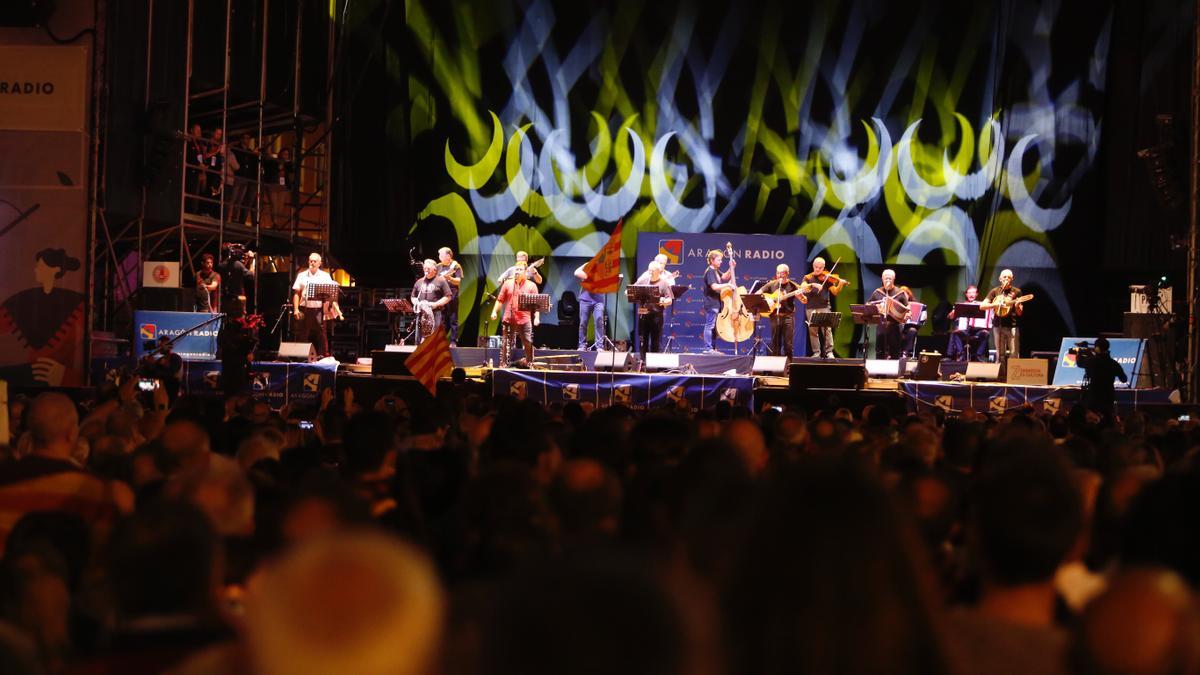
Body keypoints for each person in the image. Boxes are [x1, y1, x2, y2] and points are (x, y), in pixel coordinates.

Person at [491, 263, 540, 367]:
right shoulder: (508, 283)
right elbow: (500, 300)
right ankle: (503, 364)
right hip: (509, 318)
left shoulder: (531, 285)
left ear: (525, 272)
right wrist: (494, 311)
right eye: (516, 269)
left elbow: (536, 305)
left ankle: (529, 362)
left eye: (520, 269)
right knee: (505, 342)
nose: (517, 271)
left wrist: (536, 317)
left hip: (524, 319)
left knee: (527, 342)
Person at [800, 257, 848, 358]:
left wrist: (840, 284)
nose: (818, 269)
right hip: (810, 308)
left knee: (827, 330)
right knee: (813, 331)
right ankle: (816, 352)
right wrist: (814, 284)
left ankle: (829, 351)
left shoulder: (827, 278)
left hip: (824, 307)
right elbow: (803, 287)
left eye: (820, 268)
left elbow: (835, 292)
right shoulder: (807, 277)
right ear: (813, 266)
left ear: (824, 267)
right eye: (816, 267)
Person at [292, 252, 336, 358]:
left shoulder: (325, 276)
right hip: (304, 308)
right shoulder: (301, 275)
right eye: (310, 260)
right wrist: (296, 309)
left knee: (321, 333)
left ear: (319, 263)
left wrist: (331, 307)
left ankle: (322, 355)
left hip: (319, 308)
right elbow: (297, 294)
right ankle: (300, 356)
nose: (312, 263)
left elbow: (331, 293)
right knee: (302, 333)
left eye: (314, 261)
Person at [980, 269, 1025, 368]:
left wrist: (1017, 306)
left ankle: (1013, 378)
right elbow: (982, 306)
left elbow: (1020, 313)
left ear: (1012, 279)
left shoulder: (1017, 292)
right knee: (1000, 354)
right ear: (1000, 279)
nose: (1006, 279)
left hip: (1012, 327)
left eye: (1009, 277)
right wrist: (994, 304)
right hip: (998, 326)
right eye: (1004, 277)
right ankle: (1001, 376)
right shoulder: (995, 291)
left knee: (1014, 353)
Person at [1074, 337, 1128, 419]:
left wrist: (1079, 353)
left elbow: (1079, 363)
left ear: (1098, 348)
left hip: (1093, 399)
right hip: (1108, 399)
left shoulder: (1092, 361)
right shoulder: (1113, 363)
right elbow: (1124, 379)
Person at [757, 263, 803, 357]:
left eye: (781, 273)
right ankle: (775, 368)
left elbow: (804, 300)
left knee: (788, 345)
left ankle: (789, 367)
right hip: (774, 316)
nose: (779, 275)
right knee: (775, 344)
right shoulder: (772, 284)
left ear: (787, 273)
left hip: (788, 317)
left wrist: (800, 296)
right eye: (777, 273)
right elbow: (758, 293)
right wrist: (768, 300)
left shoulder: (793, 286)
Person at [632, 261, 674, 358]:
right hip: (643, 315)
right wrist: (628, 292)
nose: (650, 272)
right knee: (643, 341)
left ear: (658, 271)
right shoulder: (643, 281)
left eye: (652, 270)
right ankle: (643, 362)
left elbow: (669, 300)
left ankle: (653, 365)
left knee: (655, 341)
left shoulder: (664, 283)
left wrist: (664, 301)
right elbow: (631, 290)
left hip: (656, 316)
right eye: (649, 269)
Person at [869, 269, 909, 360]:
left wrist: (907, 314)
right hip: (881, 325)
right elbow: (868, 305)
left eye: (890, 279)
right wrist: (878, 307)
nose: (887, 280)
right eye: (886, 278)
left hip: (895, 326)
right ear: (882, 279)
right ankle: (879, 371)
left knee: (895, 350)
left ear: (894, 279)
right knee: (880, 350)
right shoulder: (877, 292)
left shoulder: (900, 293)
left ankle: (894, 372)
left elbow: (908, 308)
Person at [411, 259, 453, 344]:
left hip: (436, 313)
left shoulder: (441, 281)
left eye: (428, 268)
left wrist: (436, 304)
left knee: (434, 338)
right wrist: (416, 302)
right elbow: (413, 297)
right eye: (425, 268)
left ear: (434, 270)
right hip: (421, 314)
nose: (426, 270)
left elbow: (448, 296)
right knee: (421, 338)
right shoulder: (419, 282)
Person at [702, 248, 736, 354]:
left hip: (717, 303)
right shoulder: (710, 271)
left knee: (714, 328)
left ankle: (713, 348)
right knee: (710, 325)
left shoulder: (716, 270)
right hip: (711, 303)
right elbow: (714, 286)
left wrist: (732, 267)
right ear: (712, 260)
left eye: (721, 260)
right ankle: (708, 348)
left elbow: (725, 276)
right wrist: (728, 285)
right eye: (718, 260)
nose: (721, 262)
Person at [947, 285, 990, 362]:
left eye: (973, 293)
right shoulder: (961, 305)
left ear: (977, 294)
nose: (971, 295)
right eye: (969, 293)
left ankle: (978, 355)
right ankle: (960, 354)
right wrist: (954, 312)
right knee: (955, 332)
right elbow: (949, 317)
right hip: (965, 330)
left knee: (986, 333)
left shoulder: (982, 305)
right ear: (966, 294)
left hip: (977, 330)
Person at [139, 335, 184, 404]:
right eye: (159, 345)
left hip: (170, 386)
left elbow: (169, 374)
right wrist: (146, 364)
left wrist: (153, 365)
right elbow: (152, 372)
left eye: (162, 345)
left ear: (169, 346)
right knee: (138, 383)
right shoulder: (161, 359)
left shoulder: (175, 357)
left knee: (141, 385)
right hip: (159, 384)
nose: (160, 347)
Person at [573, 263, 608, 350]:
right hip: (585, 300)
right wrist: (585, 264)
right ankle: (582, 345)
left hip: (598, 301)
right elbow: (576, 272)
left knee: (599, 321)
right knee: (583, 323)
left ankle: (599, 346)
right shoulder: (587, 274)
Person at [435, 247, 463, 346]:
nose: (439, 257)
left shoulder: (455, 266)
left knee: (453, 318)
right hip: (441, 296)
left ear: (448, 256)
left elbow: (458, 280)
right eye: (439, 255)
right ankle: (441, 340)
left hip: (452, 295)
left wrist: (450, 278)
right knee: (441, 319)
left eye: (441, 255)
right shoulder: (438, 266)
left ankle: (453, 341)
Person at [216, 243, 255, 313]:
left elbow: (237, 271)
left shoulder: (221, 266)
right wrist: (251, 261)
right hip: (237, 299)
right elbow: (251, 276)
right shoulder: (238, 265)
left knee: (226, 319)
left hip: (225, 299)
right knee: (238, 321)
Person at [897, 285, 925, 358]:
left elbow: (921, 320)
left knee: (913, 331)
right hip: (897, 326)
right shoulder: (896, 304)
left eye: (906, 294)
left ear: (909, 295)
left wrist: (923, 317)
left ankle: (906, 352)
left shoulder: (915, 304)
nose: (904, 296)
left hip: (908, 327)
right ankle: (894, 352)